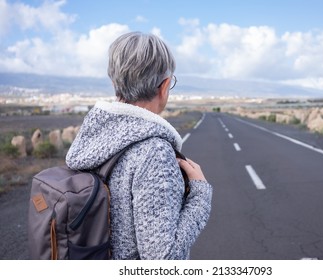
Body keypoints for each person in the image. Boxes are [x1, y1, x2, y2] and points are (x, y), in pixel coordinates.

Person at [65, 32, 213, 260]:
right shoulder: (154, 153)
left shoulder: (94, 136)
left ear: (115, 82)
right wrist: (200, 195)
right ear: (164, 86)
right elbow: (162, 261)